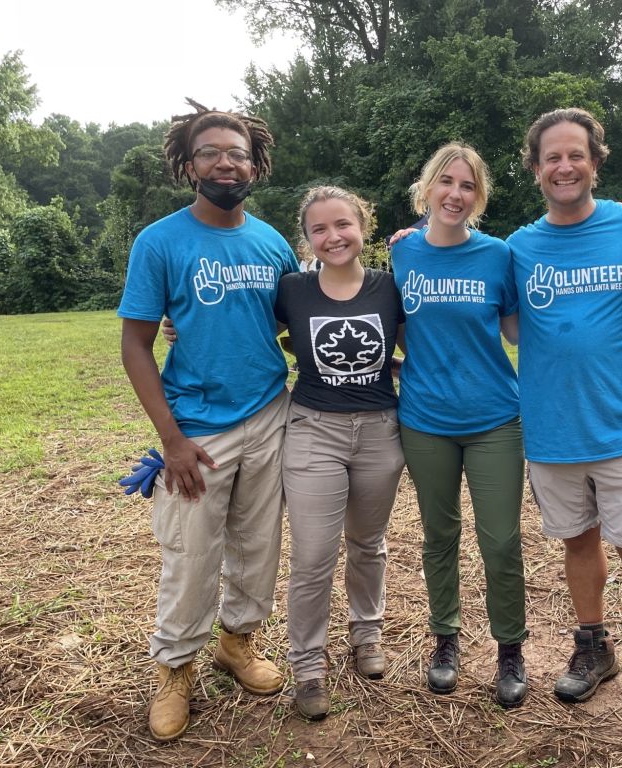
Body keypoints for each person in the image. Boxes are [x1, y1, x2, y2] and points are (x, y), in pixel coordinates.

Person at [118, 100, 297, 742]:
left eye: (238, 153)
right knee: (192, 554)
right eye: (212, 152)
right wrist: (172, 441)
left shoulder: (272, 241)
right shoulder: (160, 241)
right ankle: (174, 666)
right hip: (196, 428)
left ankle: (237, 643)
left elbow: (283, 317)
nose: (227, 162)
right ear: (188, 164)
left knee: (257, 544)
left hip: (270, 412)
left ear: (256, 165)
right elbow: (135, 343)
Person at [506, 108, 622, 746]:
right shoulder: (520, 247)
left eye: (575, 154)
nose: (564, 166)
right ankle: (594, 646)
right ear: (534, 169)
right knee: (578, 546)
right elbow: (496, 313)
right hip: (552, 433)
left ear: (595, 160)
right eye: (551, 157)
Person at [390, 143, 529, 708]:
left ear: (479, 197)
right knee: (439, 537)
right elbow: (389, 324)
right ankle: (445, 638)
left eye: (468, 186)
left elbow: (520, 332)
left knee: (501, 541)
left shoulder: (498, 256)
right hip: (425, 418)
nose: (455, 193)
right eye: (446, 182)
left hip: (495, 416)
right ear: (427, 189)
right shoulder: (400, 255)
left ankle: (510, 650)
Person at [278, 186, 405, 720]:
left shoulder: (390, 287)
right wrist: (175, 326)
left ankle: (366, 634)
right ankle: (307, 666)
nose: (333, 236)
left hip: (380, 429)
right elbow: (254, 332)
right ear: (307, 239)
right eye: (319, 229)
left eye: (342, 224)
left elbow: (415, 342)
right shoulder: (292, 289)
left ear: (362, 226)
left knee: (368, 543)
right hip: (312, 429)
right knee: (312, 556)